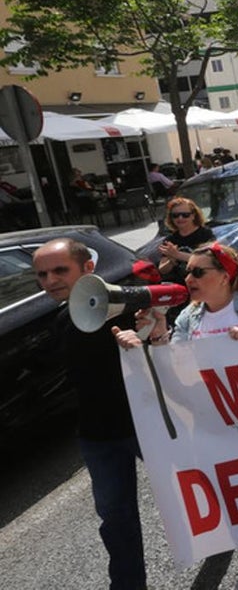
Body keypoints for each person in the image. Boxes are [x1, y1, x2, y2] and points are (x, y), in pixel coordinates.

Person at [118, 243, 238, 590]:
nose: (189, 278)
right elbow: (175, 367)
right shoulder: (189, 316)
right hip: (210, 420)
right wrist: (157, 333)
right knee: (229, 490)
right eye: (187, 272)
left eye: (198, 272)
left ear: (225, 276)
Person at [33, 239, 148, 590]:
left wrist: (150, 331)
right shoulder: (62, 319)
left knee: (194, 493)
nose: (50, 280)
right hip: (98, 436)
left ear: (88, 269)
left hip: (148, 424)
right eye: (42, 275)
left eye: (60, 270)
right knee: (115, 519)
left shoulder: (127, 305)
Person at [156, 197, 215, 283]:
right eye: (175, 215)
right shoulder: (170, 240)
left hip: (203, 283)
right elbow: (162, 270)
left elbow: (209, 260)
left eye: (185, 215)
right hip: (180, 285)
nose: (180, 218)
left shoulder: (205, 234)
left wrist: (178, 255)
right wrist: (172, 261)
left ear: (193, 215)